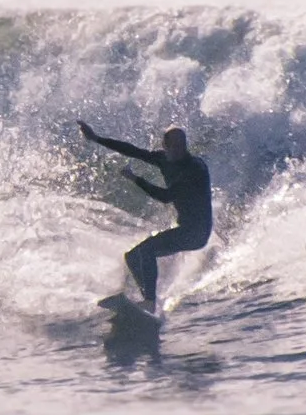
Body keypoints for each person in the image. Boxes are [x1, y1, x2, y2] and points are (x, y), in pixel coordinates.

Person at [79, 121, 212, 311]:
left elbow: (165, 197)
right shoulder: (164, 159)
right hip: (185, 229)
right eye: (174, 146)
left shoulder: (194, 168)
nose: (179, 150)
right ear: (165, 146)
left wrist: (135, 179)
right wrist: (96, 138)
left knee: (146, 251)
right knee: (133, 257)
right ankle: (148, 302)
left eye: (182, 145)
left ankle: (150, 302)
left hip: (197, 232)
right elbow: (134, 151)